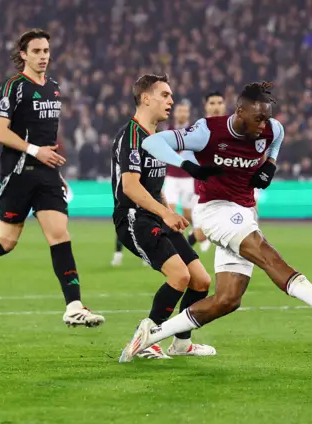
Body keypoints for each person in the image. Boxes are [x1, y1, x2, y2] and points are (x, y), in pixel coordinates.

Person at [119, 82, 312, 362]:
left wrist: (271, 164)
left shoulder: (271, 130)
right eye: (258, 118)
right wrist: (186, 164)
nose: (263, 125)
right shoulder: (208, 131)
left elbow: (278, 136)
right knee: (264, 253)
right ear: (240, 111)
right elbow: (152, 142)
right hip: (214, 210)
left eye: (267, 117)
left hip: (243, 210)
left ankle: (151, 335)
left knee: (228, 300)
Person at [0, 29, 104, 327]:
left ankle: (73, 306)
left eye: (46, 51)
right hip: (18, 173)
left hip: (46, 173)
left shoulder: (55, 88)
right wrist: (36, 151)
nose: (43, 57)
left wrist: (55, 169)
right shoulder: (13, 87)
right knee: (7, 242)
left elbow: (47, 137)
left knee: (60, 234)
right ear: (23, 54)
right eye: (36, 51)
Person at [112, 73, 220, 358]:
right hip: (133, 218)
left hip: (155, 216)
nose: (171, 101)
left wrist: (168, 212)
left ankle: (182, 343)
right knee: (179, 276)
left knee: (201, 280)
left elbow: (153, 186)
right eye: (165, 95)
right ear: (145, 98)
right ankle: (146, 341)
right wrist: (165, 213)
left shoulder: (157, 139)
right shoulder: (132, 135)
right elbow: (131, 187)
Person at [187, 91, 227, 253]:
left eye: (219, 102)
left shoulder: (233, 128)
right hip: (204, 191)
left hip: (228, 191)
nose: (216, 107)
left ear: (225, 105)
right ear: (206, 106)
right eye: (212, 103)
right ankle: (177, 252)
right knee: (201, 234)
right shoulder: (198, 129)